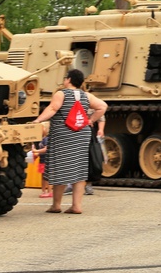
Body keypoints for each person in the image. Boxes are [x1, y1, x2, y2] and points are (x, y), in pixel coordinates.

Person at [31, 69, 107, 214]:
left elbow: (53, 108)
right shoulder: (86, 95)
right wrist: (90, 120)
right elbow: (103, 106)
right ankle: (76, 206)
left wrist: (38, 120)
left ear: (69, 79)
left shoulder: (61, 94)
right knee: (79, 170)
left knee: (60, 168)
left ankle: (56, 205)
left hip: (63, 135)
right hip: (82, 135)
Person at [85, 115, 106, 195]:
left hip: (87, 128)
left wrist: (100, 129)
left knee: (90, 157)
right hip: (72, 128)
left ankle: (88, 183)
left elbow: (101, 115)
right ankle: (70, 184)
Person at [31, 123, 52, 198]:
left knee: (48, 176)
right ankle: (43, 191)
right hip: (42, 160)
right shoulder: (40, 140)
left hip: (47, 161)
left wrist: (36, 151)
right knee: (43, 177)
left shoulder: (46, 139)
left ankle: (49, 191)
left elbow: (46, 149)